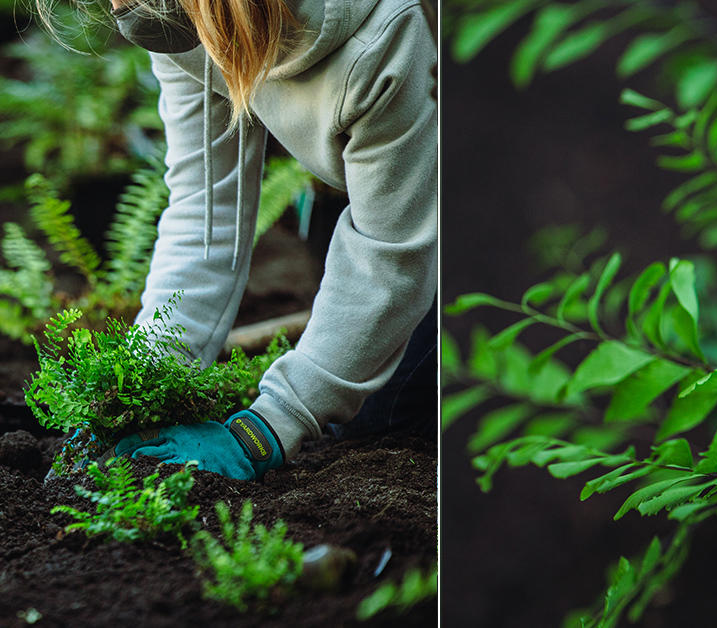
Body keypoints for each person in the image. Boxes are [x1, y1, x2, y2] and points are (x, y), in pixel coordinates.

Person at [42, 0, 437, 480]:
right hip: (405, 191)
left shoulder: (385, 36)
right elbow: (204, 211)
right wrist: (140, 382)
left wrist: (268, 426)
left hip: (480, 197)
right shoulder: (174, 18)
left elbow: (390, 252)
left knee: (384, 422)